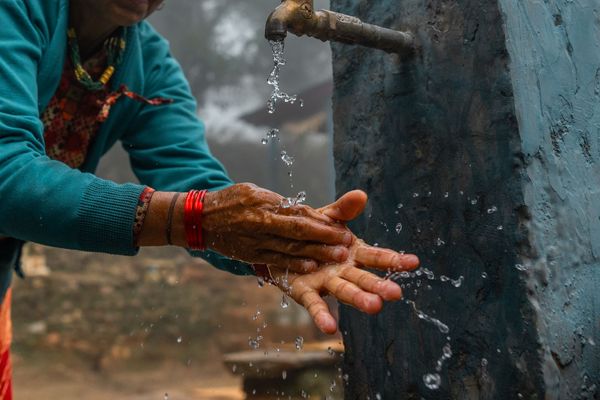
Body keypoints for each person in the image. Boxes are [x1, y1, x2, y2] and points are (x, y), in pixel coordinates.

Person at [0, 0, 419, 397]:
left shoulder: (149, 67)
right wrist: (193, 217)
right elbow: (7, 174)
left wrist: (283, 241)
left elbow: (195, 185)